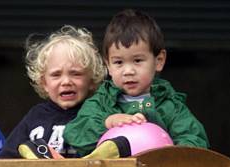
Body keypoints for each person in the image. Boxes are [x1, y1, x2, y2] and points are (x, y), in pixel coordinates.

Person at [63, 9, 209, 158]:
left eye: (137, 60)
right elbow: (74, 133)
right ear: (108, 65)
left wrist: (172, 156)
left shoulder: (169, 105)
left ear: (159, 61)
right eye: (118, 62)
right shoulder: (101, 102)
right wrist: (107, 122)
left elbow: (195, 140)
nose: (128, 71)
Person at [0, 25, 106, 158]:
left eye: (75, 74)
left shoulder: (98, 114)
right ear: (44, 83)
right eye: (56, 74)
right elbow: (6, 159)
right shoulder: (35, 117)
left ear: (91, 80)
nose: (66, 81)